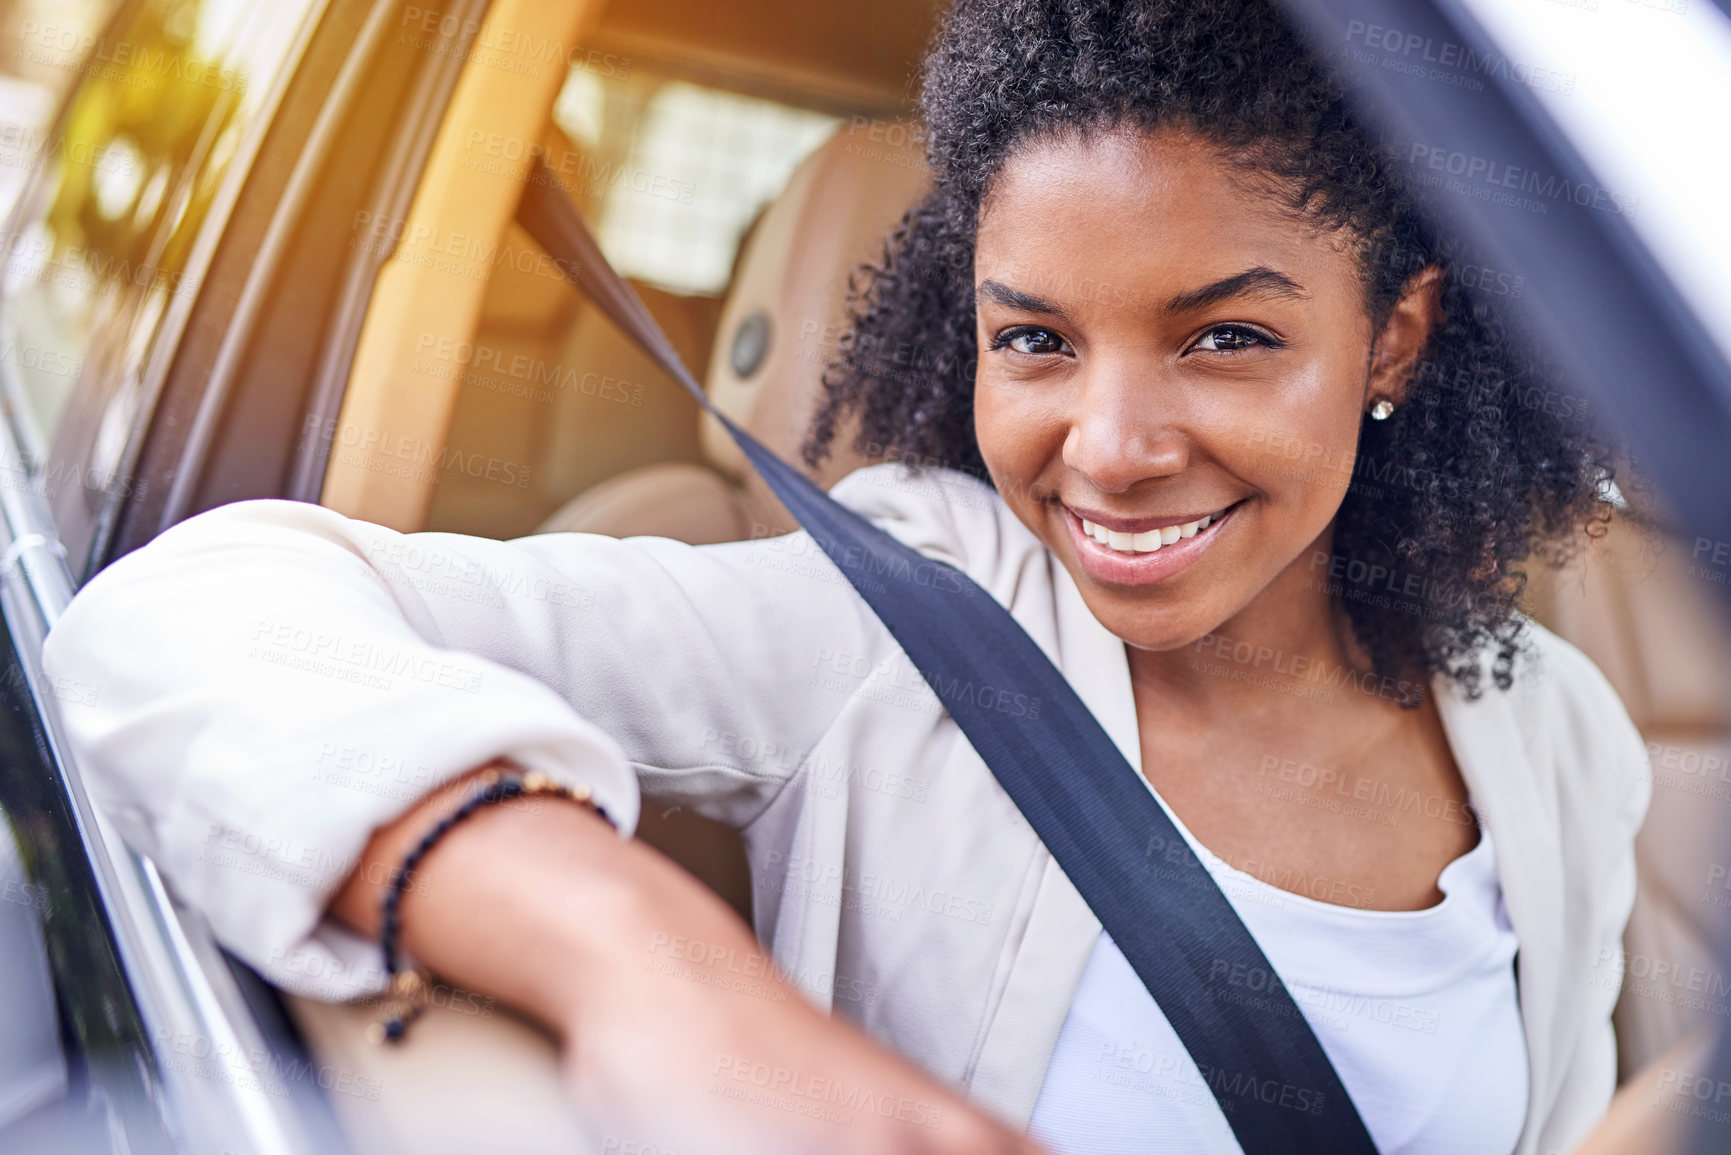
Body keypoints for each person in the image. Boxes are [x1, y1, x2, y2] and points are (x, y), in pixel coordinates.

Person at [41, 1, 1649, 1152]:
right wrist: (647, 974)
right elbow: (183, 611)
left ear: (1396, 337)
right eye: (1035, 339)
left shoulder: (1556, 731)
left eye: (1225, 336)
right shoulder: (898, 622)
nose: (1107, 447)